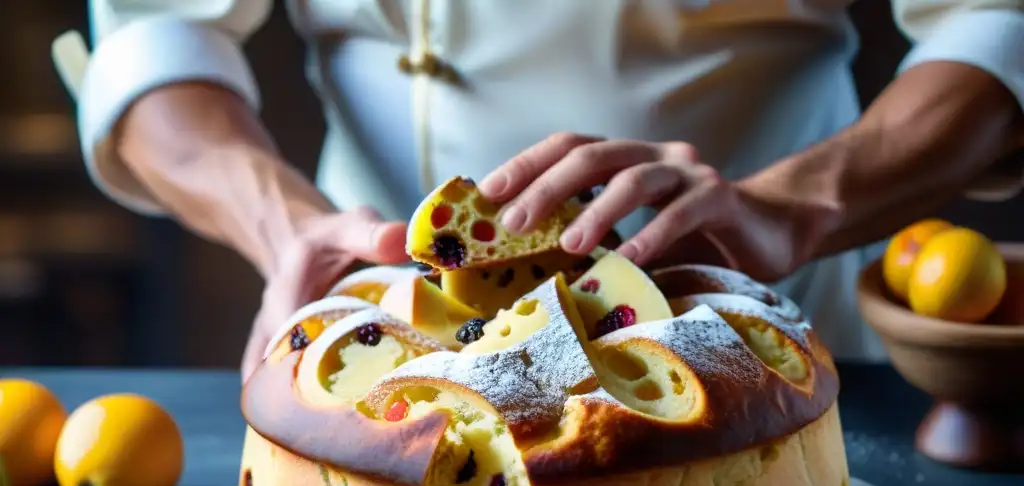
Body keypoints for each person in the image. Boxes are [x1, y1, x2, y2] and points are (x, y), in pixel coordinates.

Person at [73, 1, 1023, 379]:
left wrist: (795, 204)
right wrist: (286, 229)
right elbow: (158, 42)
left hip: (751, 318)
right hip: (381, 327)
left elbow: (998, 21)